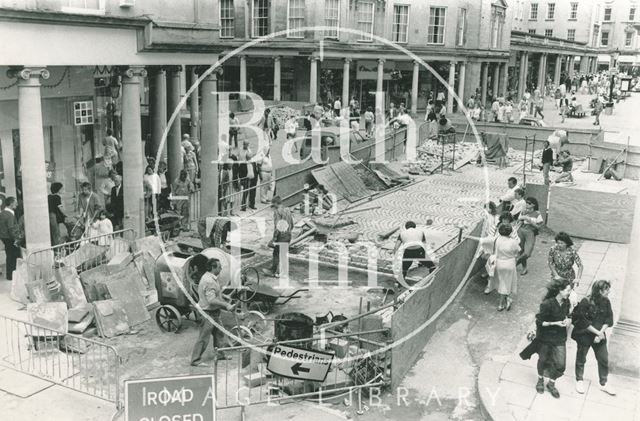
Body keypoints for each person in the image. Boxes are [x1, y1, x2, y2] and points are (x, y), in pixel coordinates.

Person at [571, 280, 616, 395]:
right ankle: (579, 380)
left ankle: (604, 383)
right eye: (606, 289)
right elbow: (583, 322)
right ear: (599, 291)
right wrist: (598, 333)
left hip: (599, 336)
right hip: (585, 335)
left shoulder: (606, 301)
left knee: (603, 359)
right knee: (581, 358)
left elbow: (609, 319)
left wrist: (601, 333)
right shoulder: (586, 302)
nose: (609, 291)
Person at [190, 258, 235, 366]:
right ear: (213, 267)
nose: (221, 268)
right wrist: (226, 305)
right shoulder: (209, 281)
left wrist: (224, 299)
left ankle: (220, 354)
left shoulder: (211, 278)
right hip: (208, 313)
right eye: (219, 267)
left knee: (219, 334)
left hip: (214, 312)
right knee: (203, 338)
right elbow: (211, 300)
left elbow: (215, 295)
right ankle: (195, 360)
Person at [534, 278, 573, 398]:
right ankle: (540, 380)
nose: (569, 292)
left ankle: (551, 383)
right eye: (567, 290)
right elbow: (539, 322)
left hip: (560, 337)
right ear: (559, 290)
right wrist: (554, 323)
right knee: (543, 359)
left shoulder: (567, 302)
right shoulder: (547, 304)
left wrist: (568, 319)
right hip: (546, 337)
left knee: (560, 364)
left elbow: (569, 314)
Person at [483, 223, 521, 311]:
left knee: (502, 282)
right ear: (510, 232)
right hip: (509, 263)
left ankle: (506, 298)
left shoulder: (497, 239)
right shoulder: (513, 242)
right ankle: (501, 304)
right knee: (506, 284)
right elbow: (517, 252)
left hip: (499, 263)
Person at [263, 196, 293, 278]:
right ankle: (281, 272)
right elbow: (292, 224)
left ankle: (274, 271)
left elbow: (277, 227)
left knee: (276, 253)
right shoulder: (287, 210)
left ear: (276, 203)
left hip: (281, 236)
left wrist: (274, 238)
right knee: (283, 254)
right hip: (288, 235)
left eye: (273, 204)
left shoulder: (277, 212)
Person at [516, 197, 544, 276]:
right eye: (526, 203)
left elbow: (539, 227)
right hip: (521, 231)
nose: (527, 204)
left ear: (533, 205)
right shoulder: (524, 211)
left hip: (530, 232)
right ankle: (524, 268)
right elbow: (518, 220)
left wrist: (530, 221)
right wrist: (524, 217)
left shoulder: (537, 214)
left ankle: (515, 263)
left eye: (529, 203)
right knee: (520, 250)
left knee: (527, 253)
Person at [0, 197, 22, 280]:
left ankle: (10, 275)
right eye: (15, 202)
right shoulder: (10, 215)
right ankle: (13, 276)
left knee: (9, 256)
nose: (17, 204)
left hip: (4, 238)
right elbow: (11, 228)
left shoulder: (2, 213)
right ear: (11, 203)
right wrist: (16, 239)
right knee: (14, 256)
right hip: (10, 238)